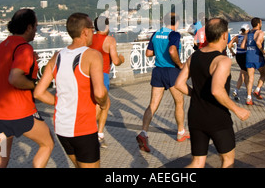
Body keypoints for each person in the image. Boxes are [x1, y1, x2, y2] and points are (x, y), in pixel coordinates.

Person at [34, 13, 109, 168]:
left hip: (61, 127)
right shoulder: (92, 55)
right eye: (92, 29)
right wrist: (103, 104)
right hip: (83, 127)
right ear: (85, 31)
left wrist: (59, 101)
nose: (94, 33)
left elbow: (38, 93)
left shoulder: (57, 56)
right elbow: (100, 93)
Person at [175, 18, 250, 168]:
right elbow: (217, 90)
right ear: (224, 35)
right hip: (217, 118)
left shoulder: (194, 56)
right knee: (227, 161)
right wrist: (237, 109)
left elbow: (178, 84)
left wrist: (195, 93)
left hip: (196, 115)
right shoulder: (222, 60)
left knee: (197, 162)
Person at [0, 9, 54, 168]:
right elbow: (15, 78)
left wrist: (32, 61)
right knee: (47, 144)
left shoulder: (3, 45)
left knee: (0, 159)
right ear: (29, 27)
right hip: (20, 113)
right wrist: (34, 85)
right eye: (36, 26)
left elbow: (8, 71)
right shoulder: (24, 48)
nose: (37, 30)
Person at [136, 12, 189, 153]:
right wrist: (180, 65)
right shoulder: (174, 34)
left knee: (153, 104)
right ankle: (180, 132)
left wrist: (160, 52)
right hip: (171, 71)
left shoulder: (156, 33)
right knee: (179, 102)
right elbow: (172, 50)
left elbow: (148, 53)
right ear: (176, 22)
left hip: (158, 71)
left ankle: (144, 133)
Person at [90, 16, 124, 148]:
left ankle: (99, 134)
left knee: (105, 104)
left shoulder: (89, 38)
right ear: (107, 26)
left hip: (87, 74)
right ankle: (93, 134)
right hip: (102, 75)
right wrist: (121, 58)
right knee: (101, 104)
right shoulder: (110, 40)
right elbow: (116, 61)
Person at [241, 17, 265, 105]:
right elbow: (259, 43)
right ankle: (257, 89)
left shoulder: (247, 34)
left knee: (250, 78)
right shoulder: (260, 32)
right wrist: (263, 51)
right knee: (263, 74)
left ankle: (249, 98)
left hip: (249, 56)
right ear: (259, 24)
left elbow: (242, 46)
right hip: (258, 57)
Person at [228, 24, 250, 101]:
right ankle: (237, 90)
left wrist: (232, 52)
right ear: (247, 29)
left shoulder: (237, 37)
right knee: (244, 74)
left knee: (244, 73)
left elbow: (229, 44)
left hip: (238, 56)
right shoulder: (247, 37)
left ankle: (248, 91)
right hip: (245, 55)